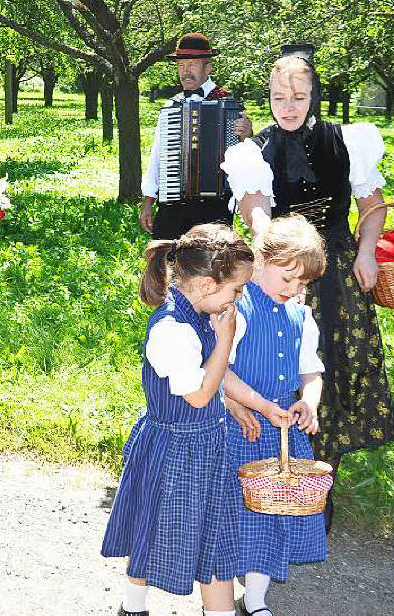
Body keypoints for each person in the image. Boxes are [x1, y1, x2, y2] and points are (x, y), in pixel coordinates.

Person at [221, 51, 394, 533]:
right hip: (281, 279)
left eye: (298, 97)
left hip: (338, 273)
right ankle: (271, 482)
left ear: (313, 95)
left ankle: (320, 490)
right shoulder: (253, 152)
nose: (288, 107)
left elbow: (373, 205)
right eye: (279, 98)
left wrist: (367, 251)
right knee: (276, 372)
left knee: (330, 375)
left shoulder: (346, 141)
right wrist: (273, 264)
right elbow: (257, 215)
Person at [101, 223, 254, 616]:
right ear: (205, 285)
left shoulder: (203, 313)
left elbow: (214, 380)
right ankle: (132, 608)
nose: (239, 297)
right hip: (174, 449)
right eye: (236, 289)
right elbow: (200, 392)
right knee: (152, 529)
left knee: (215, 538)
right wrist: (223, 341)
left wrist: (237, 403)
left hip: (208, 446)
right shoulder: (170, 329)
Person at [221, 215, 328, 616]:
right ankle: (220, 591)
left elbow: (310, 371)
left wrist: (310, 402)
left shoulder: (301, 315)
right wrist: (260, 405)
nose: (294, 290)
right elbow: (221, 371)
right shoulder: (238, 307)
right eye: (287, 278)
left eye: (302, 283)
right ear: (261, 261)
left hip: (282, 431)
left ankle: (256, 599)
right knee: (238, 512)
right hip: (240, 428)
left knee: (273, 513)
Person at [140, 33, 252, 240]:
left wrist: (247, 135)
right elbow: (157, 155)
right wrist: (148, 200)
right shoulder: (171, 106)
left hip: (214, 206)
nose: (185, 72)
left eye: (192, 65)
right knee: (165, 262)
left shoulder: (227, 103)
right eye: (181, 66)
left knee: (209, 265)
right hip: (173, 199)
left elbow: (245, 157)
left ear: (207, 68)